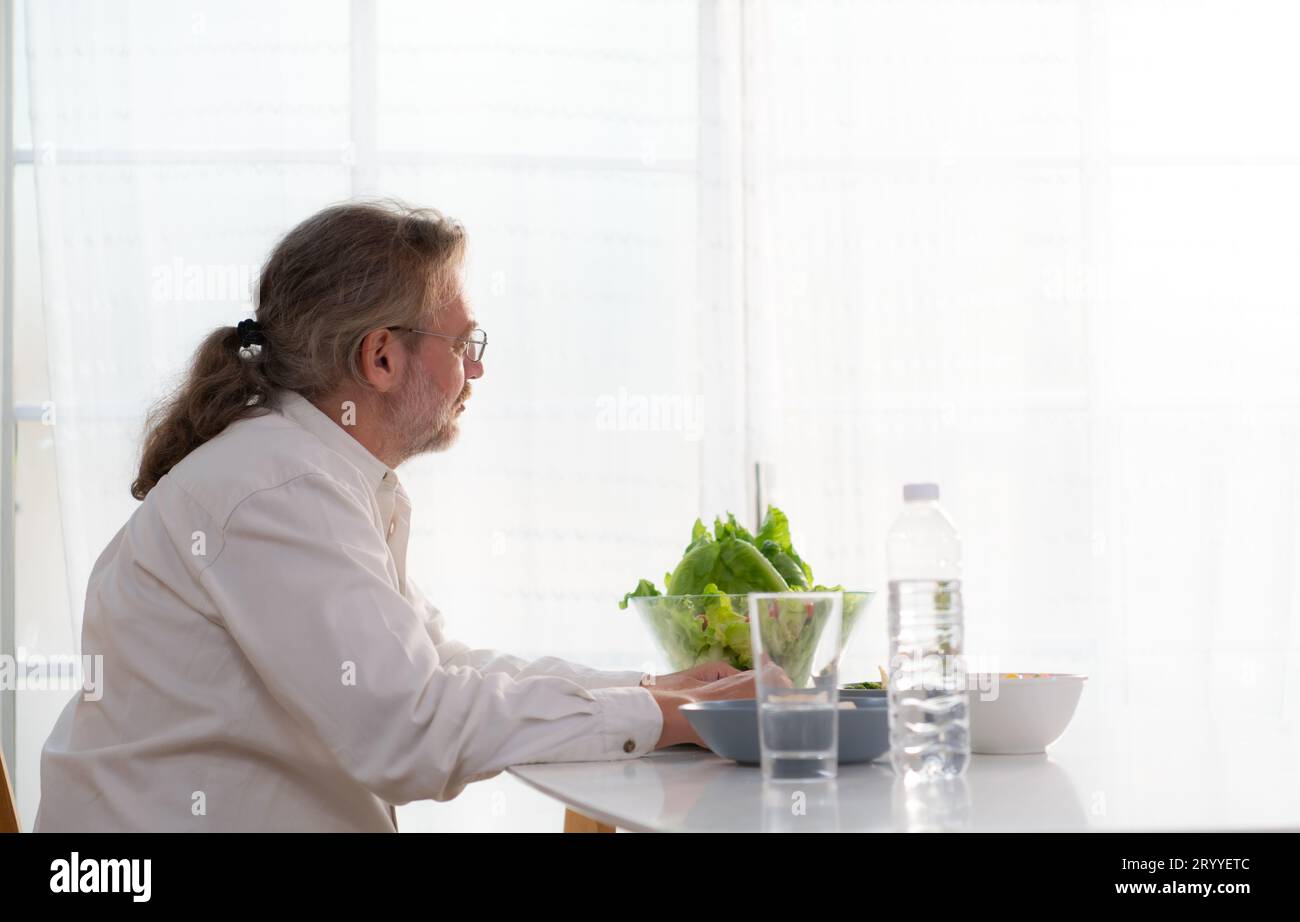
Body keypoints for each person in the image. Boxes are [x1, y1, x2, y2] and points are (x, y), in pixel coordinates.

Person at [34, 200, 756, 832]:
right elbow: (408, 730)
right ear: (380, 357)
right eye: (463, 344)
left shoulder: (311, 472)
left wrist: (649, 693)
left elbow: (438, 667)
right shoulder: (276, 487)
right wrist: (668, 718)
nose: (475, 371)